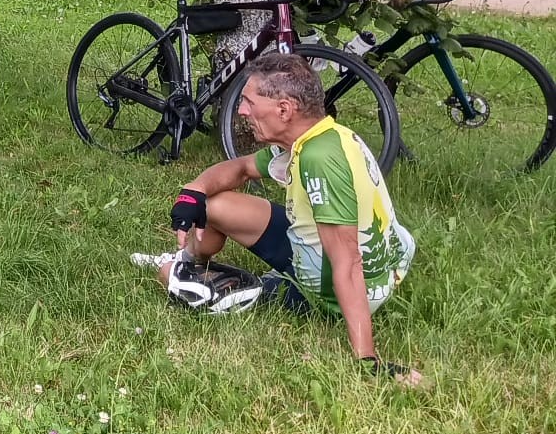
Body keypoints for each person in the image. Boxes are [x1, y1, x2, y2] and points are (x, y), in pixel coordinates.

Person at [155, 54, 418, 378]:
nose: (241, 111)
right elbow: (242, 168)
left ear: (284, 109)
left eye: (250, 102)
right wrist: (192, 192)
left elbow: (348, 265)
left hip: (329, 292)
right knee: (213, 204)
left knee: (168, 275)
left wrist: (368, 360)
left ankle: (186, 267)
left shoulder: (320, 161)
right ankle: (188, 257)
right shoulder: (321, 137)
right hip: (355, 259)